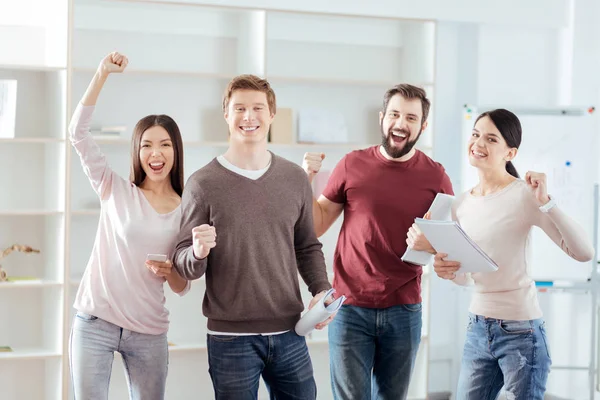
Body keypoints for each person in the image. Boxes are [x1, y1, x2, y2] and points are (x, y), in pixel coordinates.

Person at [171, 74, 333, 400]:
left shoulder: (294, 178)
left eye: (258, 108)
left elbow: (307, 245)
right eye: (240, 108)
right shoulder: (203, 183)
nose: (249, 116)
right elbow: (182, 260)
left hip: (290, 331)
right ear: (227, 116)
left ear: (271, 114)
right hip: (230, 338)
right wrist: (199, 253)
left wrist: (322, 290)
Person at [429, 108, 594, 399]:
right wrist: (448, 270)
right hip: (477, 327)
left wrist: (547, 202)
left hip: (522, 333)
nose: (479, 143)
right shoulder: (461, 204)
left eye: (491, 139)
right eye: (476, 134)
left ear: (510, 153)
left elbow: (583, 252)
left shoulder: (524, 195)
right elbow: (468, 278)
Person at [302, 83, 453, 400]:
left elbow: (449, 245)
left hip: (404, 309)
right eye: (395, 114)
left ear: (423, 126)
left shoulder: (436, 176)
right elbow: (315, 226)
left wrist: (431, 244)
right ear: (383, 118)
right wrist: (306, 180)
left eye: (411, 118)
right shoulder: (351, 164)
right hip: (349, 307)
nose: (401, 123)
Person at [68, 52, 190, 400]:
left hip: (149, 331)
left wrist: (170, 272)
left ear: (175, 152)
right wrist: (101, 73)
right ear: (137, 152)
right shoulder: (113, 187)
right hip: (95, 323)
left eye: (164, 144)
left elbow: (183, 287)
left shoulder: (187, 209)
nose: (156, 153)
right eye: (147, 145)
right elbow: (77, 133)